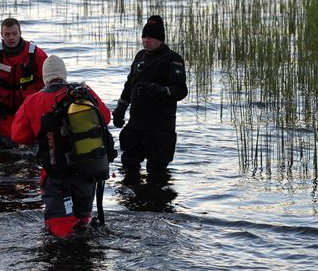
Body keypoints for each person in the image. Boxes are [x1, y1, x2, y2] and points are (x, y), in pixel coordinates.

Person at [11, 55, 111, 237]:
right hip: (86, 173)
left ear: (44, 77)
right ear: (64, 74)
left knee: (61, 228)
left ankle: (66, 256)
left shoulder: (32, 101)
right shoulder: (83, 92)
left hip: (56, 175)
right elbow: (105, 117)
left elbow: (18, 135)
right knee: (83, 223)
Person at [111, 15, 188, 177]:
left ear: (160, 39)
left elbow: (180, 91)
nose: (146, 40)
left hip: (160, 127)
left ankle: (158, 200)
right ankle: (132, 200)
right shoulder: (140, 56)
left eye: (151, 37)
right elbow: (129, 85)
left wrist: (158, 90)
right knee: (129, 166)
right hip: (136, 124)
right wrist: (120, 109)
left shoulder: (172, 59)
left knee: (157, 172)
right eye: (144, 37)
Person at [0, 17, 48, 149]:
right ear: (2, 35)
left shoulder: (36, 54)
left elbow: (49, 81)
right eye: (7, 34)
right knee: (7, 150)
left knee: (32, 149)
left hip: (29, 111)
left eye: (14, 33)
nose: (11, 37)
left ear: (20, 33)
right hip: (5, 112)